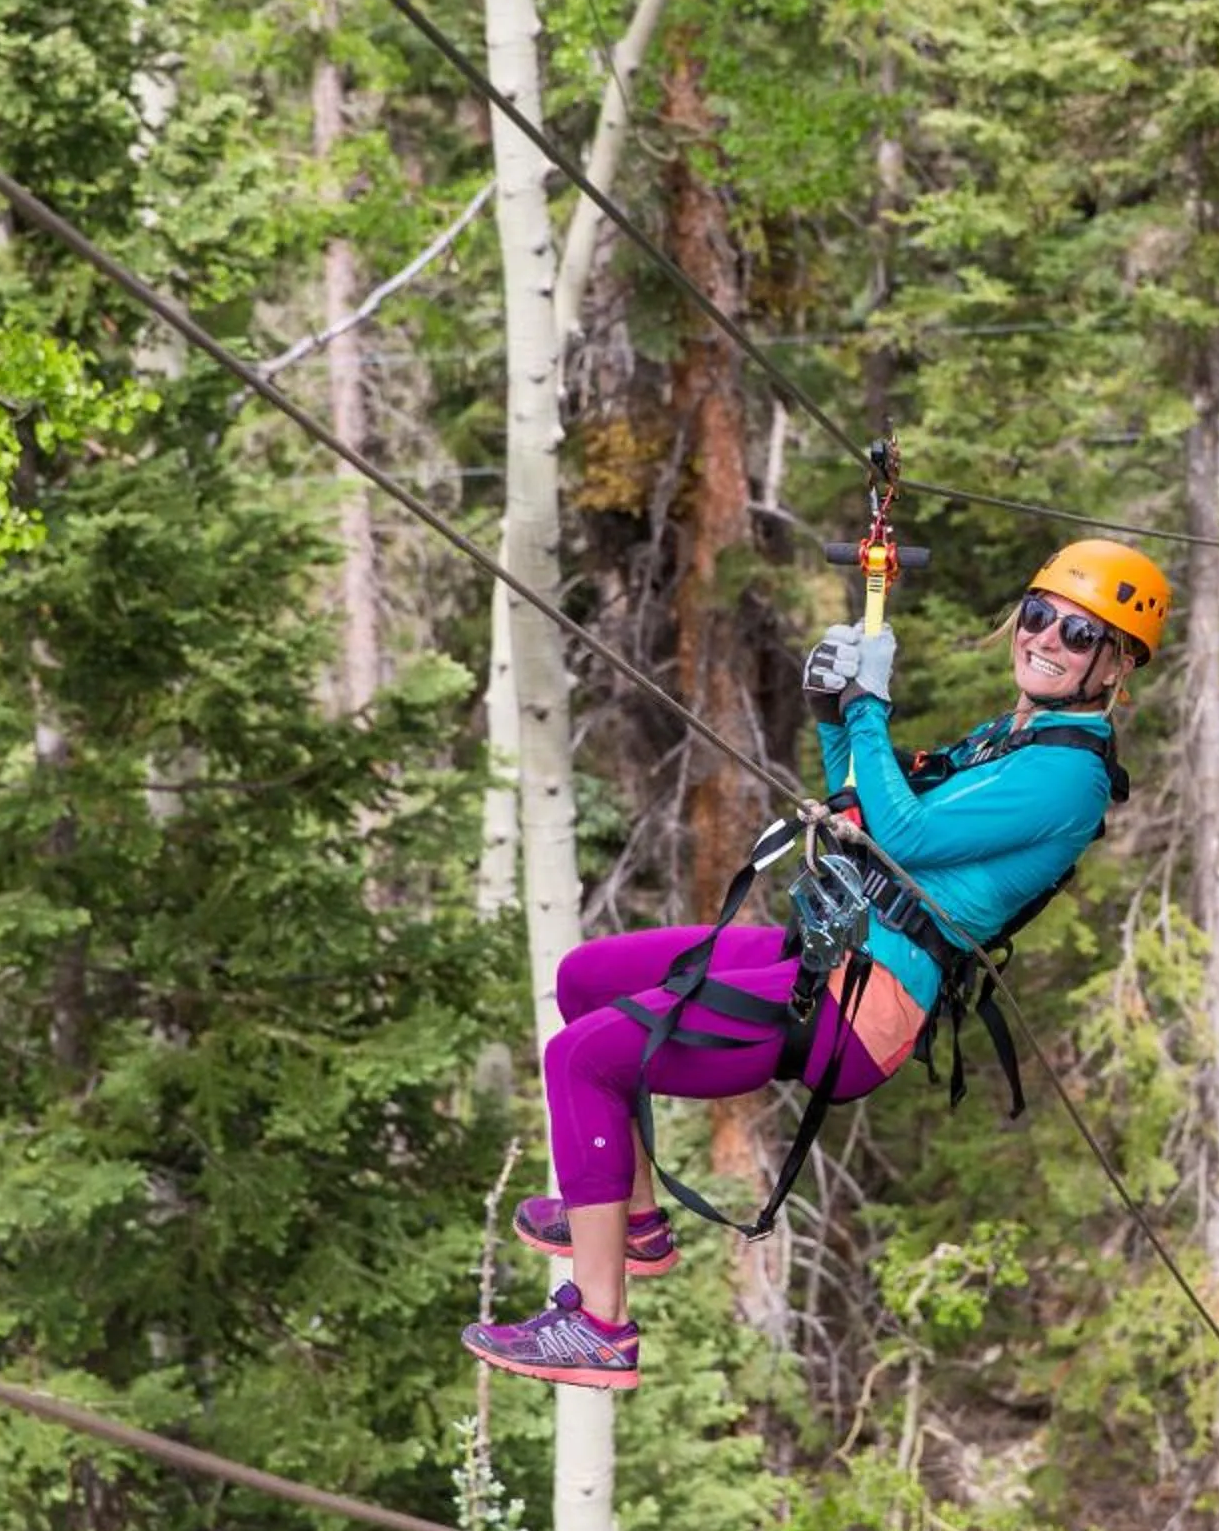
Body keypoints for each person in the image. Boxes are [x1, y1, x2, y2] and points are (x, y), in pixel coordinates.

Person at [460, 539, 1168, 1390]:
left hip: (861, 1006)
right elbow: (862, 810)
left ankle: (599, 1324)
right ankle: (632, 1218)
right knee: (586, 980)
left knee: (580, 1058)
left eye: (1080, 633)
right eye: (1038, 614)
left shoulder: (1068, 777)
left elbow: (902, 837)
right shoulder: (1008, 743)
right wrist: (837, 716)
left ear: (1117, 664)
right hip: (832, 954)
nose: (1047, 639)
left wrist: (867, 706)